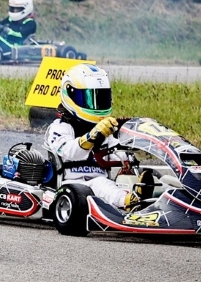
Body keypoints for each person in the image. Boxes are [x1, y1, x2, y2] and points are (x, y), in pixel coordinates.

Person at [42, 63, 137, 211]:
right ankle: (127, 202)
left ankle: (147, 198)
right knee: (101, 184)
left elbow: (116, 154)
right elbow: (70, 152)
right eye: (89, 98)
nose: (96, 105)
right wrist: (92, 136)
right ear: (70, 95)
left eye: (101, 98)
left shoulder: (104, 129)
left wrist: (133, 149)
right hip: (72, 185)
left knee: (135, 179)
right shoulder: (59, 127)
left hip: (103, 184)